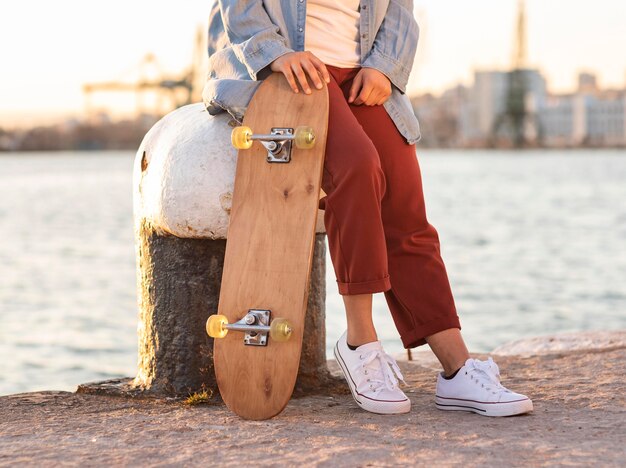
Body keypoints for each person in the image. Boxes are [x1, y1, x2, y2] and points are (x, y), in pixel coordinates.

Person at [204, 0, 533, 417]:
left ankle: (457, 370)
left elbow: (400, 10)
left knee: (406, 209)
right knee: (357, 167)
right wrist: (275, 54)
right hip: (286, 71)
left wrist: (383, 67)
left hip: (363, 74)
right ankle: (361, 342)